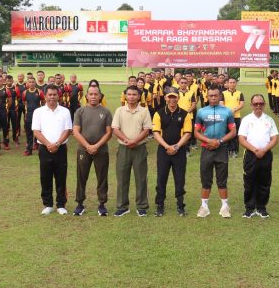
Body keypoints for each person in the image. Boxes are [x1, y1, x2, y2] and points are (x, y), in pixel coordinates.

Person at [194, 86, 237, 218]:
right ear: (207, 96)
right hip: (206, 149)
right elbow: (196, 132)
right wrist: (208, 141)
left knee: (222, 179)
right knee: (206, 179)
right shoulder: (201, 112)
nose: (213, 98)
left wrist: (219, 142)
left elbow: (233, 132)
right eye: (211, 95)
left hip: (221, 149)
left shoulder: (227, 112)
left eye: (216, 95)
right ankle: (204, 207)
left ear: (220, 96)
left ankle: (225, 207)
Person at [112, 85, 153, 217]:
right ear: (125, 95)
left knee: (141, 177)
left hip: (139, 148)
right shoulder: (119, 110)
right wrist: (127, 140)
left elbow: (146, 129)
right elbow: (115, 129)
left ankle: (141, 206)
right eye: (129, 94)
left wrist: (135, 141)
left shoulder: (144, 111)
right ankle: (122, 206)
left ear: (139, 96)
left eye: (134, 94)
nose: (131, 97)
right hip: (124, 148)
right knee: (122, 177)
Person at [32, 84, 73, 216]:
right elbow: (36, 131)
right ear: (45, 95)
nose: (52, 97)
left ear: (58, 95)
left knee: (61, 176)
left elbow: (68, 130)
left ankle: (61, 204)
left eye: (54, 94)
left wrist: (57, 143)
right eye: (49, 94)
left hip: (60, 149)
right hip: (44, 149)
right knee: (45, 177)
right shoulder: (38, 112)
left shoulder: (65, 111)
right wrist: (48, 144)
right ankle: (48, 204)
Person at [72, 86, 112, 216]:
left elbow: (109, 133)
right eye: (91, 94)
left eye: (96, 94)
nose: (93, 96)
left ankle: (102, 204)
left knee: (102, 177)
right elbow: (76, 131)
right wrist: (88, 146)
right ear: (87, 96)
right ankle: (79, 204)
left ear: (100, 96)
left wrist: (96, 146)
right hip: (83, 150)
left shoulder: (106, 112)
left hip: (101, 150)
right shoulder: (80, 111)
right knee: (81, 177)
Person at [152, 87, 192, 217]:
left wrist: (176, 147)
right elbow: (156, 133)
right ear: (165, 98)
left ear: (178, 98)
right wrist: (167, 147)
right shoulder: (158, 113)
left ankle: (180, 205)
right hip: (163, 151)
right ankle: (160, 205)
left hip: (179, 151)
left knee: (180, 179)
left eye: (174, 96)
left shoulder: (185, 114)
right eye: (170, 96)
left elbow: (187, 134)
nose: (172, 99)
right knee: (161, 178)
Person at [237, 94, 278, 218]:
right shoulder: (246, 119)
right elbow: (242, 139)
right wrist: (255, 150)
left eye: (261, 103)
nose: (258, 106)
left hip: (266, 155)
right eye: (255, 104)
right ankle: (249, 208)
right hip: (250, 155)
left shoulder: (269, 120)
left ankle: (261, 207)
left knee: (264, 181)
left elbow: (275, 138)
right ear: (251, 105)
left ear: (264, 104)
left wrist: (264, 150)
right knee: (249, 181)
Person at [220, 77, 245, 158]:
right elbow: (221, 103)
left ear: (236, 83)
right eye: (230, 82)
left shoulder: (240, 93)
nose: (232, 84)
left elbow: (241, 104)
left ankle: (234, 150)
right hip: (226, 117)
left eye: (234, 82)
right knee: (226, 133)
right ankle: (227, 150)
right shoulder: (223, 93)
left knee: (235, 133)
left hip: (236, 116)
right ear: (228, 83)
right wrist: (228, 111)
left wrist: (235, 109)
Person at [22, 78, 45, 156]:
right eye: (30, 82)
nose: (31, 84)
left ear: (35, 83)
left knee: (38, 132)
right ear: (27, 83)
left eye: (33, 82)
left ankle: (38, 146)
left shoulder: (39, 92)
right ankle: (29, 149)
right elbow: (24, 102)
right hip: (29, 115)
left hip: (38, 116)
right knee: (29, 133)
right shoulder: (25, 92)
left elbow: (43, 102)